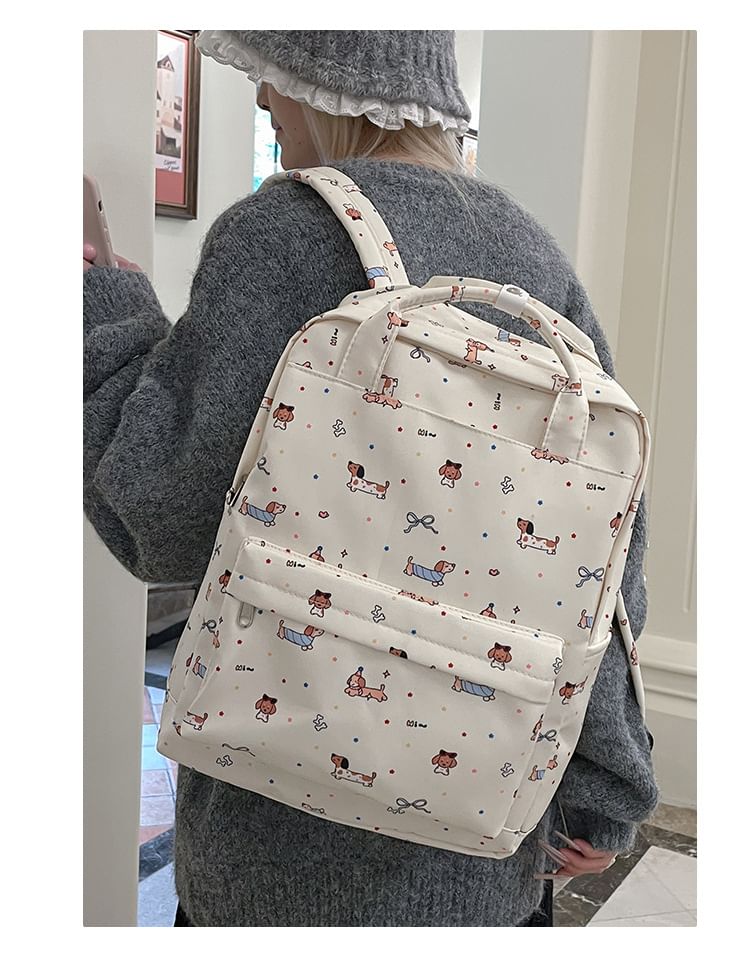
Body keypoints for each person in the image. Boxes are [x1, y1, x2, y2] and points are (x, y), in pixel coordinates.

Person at [83, 30, 659, 927]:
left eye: (272, 73)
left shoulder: (279, 236)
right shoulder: (536, 259)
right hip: (483, 862)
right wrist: (603, 789)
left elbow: (156, 514)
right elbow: (603, 565)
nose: (264, 98)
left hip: (280, 859)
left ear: (326, 79)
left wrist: (106, 312)